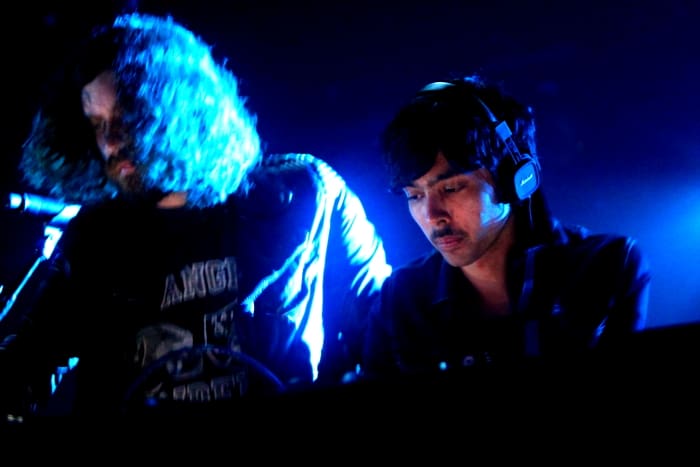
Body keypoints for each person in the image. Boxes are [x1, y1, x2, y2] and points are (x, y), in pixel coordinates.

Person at [0, 12, 391, 419]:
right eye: (98, 124)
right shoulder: (94, 238)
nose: (110, 142)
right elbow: (27, 362)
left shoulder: (306, 194)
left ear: (181, 111)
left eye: (127, 117)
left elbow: (386, 320)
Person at [362, 76, 651, 386]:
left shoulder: (608, 264)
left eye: (451, 188)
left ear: (514, 179)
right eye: (415, 196)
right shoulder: (399, 300)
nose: (432, 216)